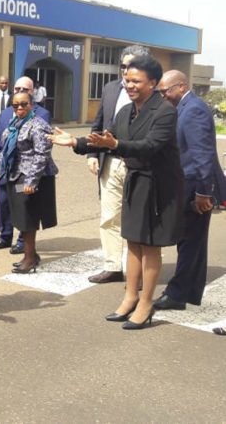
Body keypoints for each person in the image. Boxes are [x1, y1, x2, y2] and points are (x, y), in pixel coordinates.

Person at [50, 54, 183, 330]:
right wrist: (76, 141)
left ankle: (146, 303)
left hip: (158, 185)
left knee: (150, 246)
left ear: (153, 83)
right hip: (136, 182)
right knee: (132, 242)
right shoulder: (126, 111)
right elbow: (105, 138)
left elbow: (148, 146)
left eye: (136, 81)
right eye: (127, 79)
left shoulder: (165, 111)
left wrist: (115, 146)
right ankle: (130, 296)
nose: (129, 84)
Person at [152, 70, 226, 311]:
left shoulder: (193, 109)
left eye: (166, 91)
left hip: (195, 186)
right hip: (189, 183)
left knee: (189, 240)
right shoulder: (184, 106)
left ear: (181, 87)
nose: (163, 96)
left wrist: (205, 193)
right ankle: (188, 291)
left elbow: (202, 153)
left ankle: (177, 293)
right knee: (192, 241)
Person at [86, 45, 151, 284]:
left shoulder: (154, 94)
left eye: (131, 66)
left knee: (139, 218)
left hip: (140, 166)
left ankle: (142, 267)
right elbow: (99, 123)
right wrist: (91, 154)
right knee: (109, 216)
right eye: (122, 66)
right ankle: (113, 266)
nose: (125, 72)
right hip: (110, 164)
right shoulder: (110, 88)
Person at [0, 91, 58, 273]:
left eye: (23, 104)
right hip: (15, 176)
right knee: (21, 218)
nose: (19, 108)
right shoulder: (14, 124)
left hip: (31, 178)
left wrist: (31, 181)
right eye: (15, 105)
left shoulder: (38, 125)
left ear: (32, 104)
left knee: (28, 219)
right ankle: (31, 255)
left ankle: (30, 258)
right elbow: (6, 150)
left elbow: (42, 156)